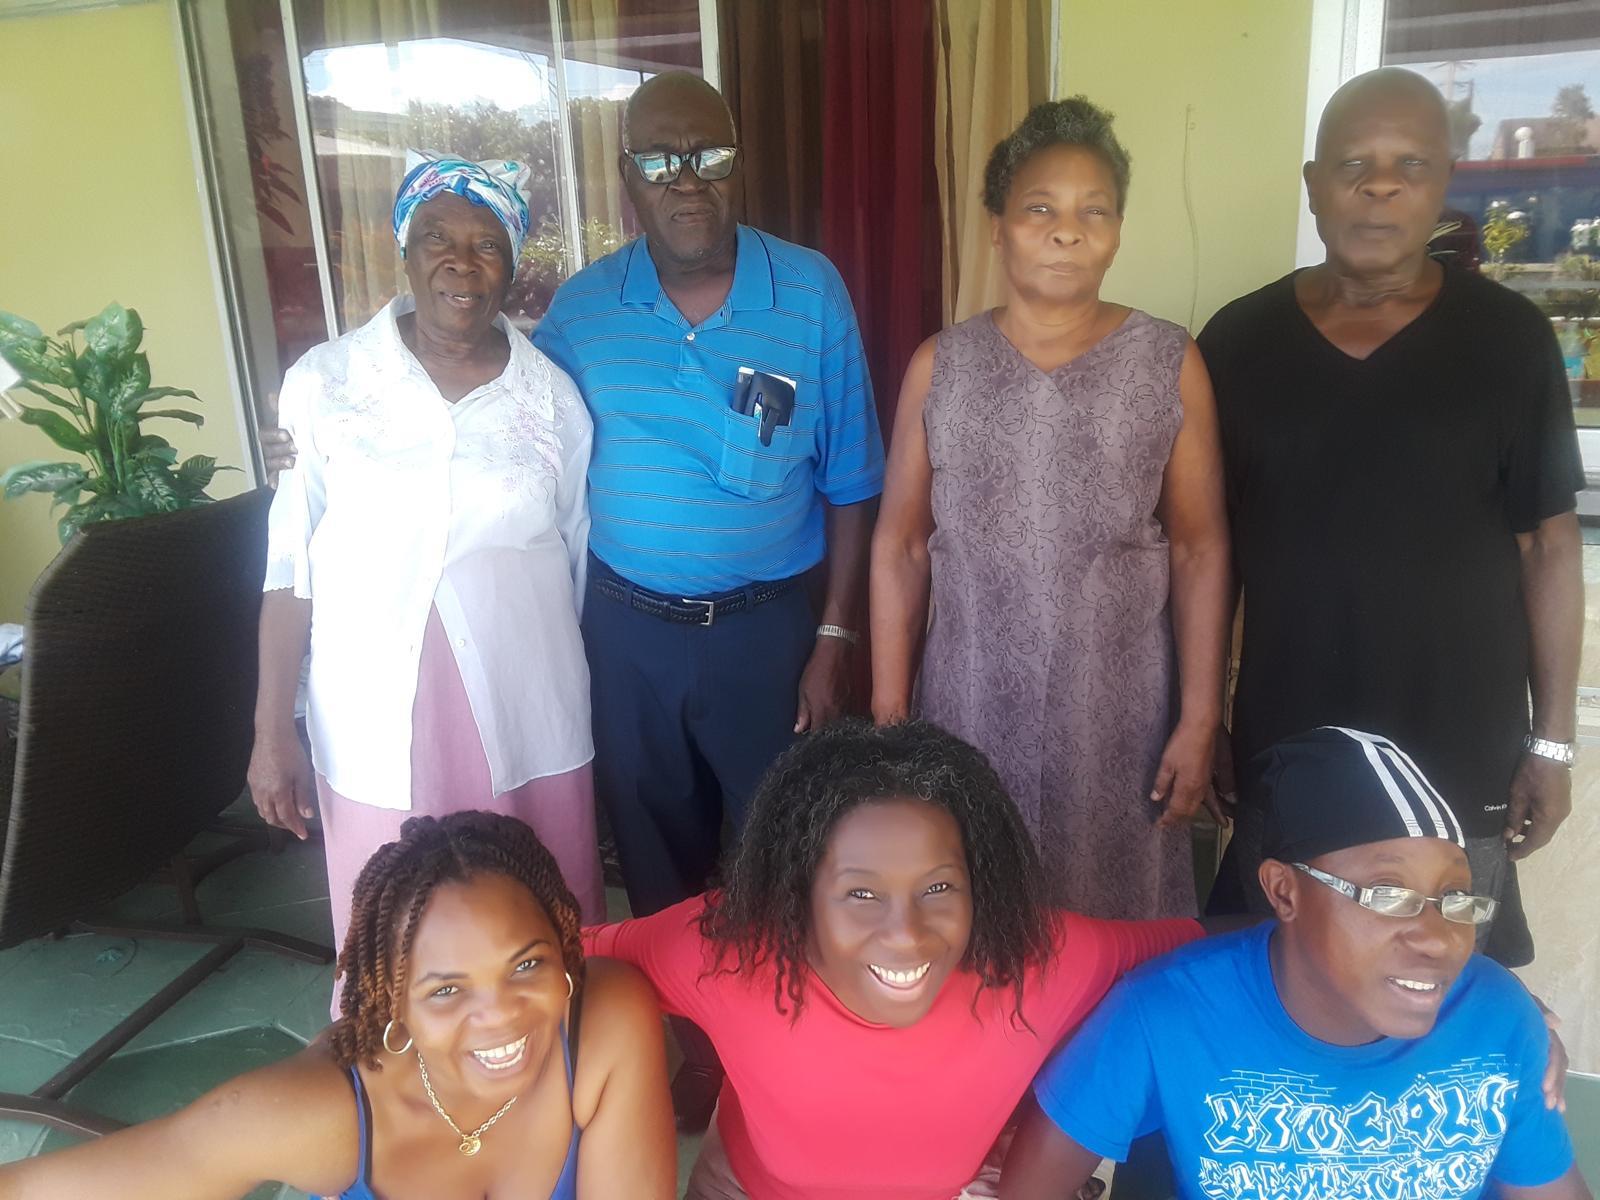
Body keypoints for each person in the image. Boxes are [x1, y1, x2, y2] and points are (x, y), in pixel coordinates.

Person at [531, 70, 885, 1127]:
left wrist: (831, 638)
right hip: (627, 633)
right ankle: (683, 1054)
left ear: (737, 161)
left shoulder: (810, 291)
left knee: (789, 846)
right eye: (660, 158)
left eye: (708, 154)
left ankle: (794, 1049)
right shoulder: (582, 311)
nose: (687, 180)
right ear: (628, 176)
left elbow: (854, 484)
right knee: (656, 858)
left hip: (768, 633)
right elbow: (515, 445)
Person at [1199, 68, 1584, 965]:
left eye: (1409, 163)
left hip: (1462, 745)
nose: (1380, 185)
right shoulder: (1238, 343)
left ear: (1446, 180)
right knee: (1277, 972)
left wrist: (1553, 745)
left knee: (1438, 982)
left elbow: (1549, 547)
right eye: (1355, 164)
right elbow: (1206, 553)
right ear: (1314, 185)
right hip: (1287, 747)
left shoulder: (1508, 340)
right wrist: (1205, 713)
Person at [585, 719, 1209, 1200]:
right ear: (798, 896)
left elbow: (1212, 949)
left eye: (938, 887)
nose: (906, 934)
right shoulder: (728, 946)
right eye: (861, 894)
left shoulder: (1036, 958)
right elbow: (559, 960)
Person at [871, 97, 1231, 920]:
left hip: (1120, 715)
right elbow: (902, 547)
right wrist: (892, 720)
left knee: (1115, 935)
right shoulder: (942, 367)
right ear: (997, 227)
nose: (1066, 230)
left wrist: (1201, 716)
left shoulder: (1169, 362)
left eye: (1092, 211)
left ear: (1117, 230)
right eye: (1040, 208)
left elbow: (1199, 549)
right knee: (969, 914)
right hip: (965, 708)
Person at [248, 154, 605, 964]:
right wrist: (273, 727)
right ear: (403, 249)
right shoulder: (325, 383)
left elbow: (578, 565)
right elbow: (288, 569)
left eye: (488, 245)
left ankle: (562, 1066)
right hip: (375, 713)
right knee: (397, 932)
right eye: (438, 238)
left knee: (536, 912)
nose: (462, 262)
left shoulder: (552, 400)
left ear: (512, 267)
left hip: (525, 703)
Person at [999, 727, 1590, 1200]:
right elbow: (1029, 1189)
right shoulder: (1166, 1014)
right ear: (1284, 892)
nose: (1438, 938)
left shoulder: (1495, 1019)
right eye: (1387, 894)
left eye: (1457, 899)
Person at [0, 811, 675, 1199]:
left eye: (526, 964)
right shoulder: (319, 1112)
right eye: (445, 990)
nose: (500, 1013)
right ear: (393, 1004)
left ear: (564, 947)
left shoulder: (604, 1023)